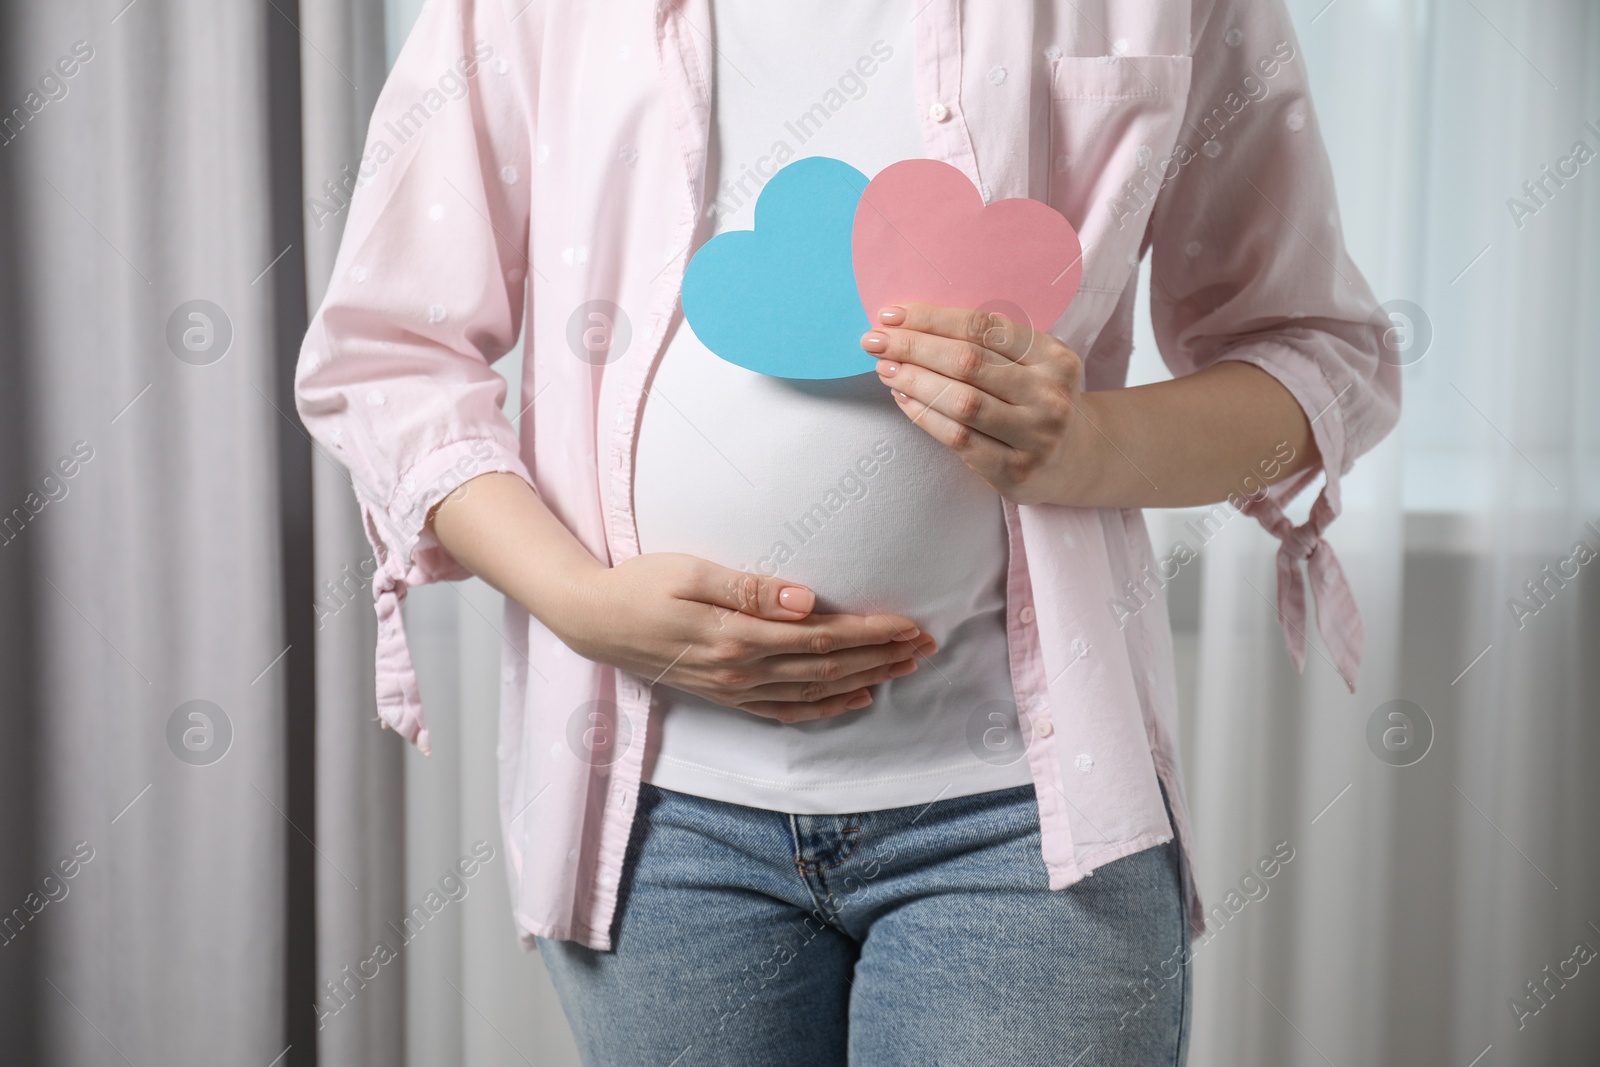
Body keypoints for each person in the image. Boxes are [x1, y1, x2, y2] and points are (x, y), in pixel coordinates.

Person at [295, 0, 1399, 1062]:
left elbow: (1319, 358)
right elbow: (389, 358)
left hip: (1031, 820)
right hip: (658, 818)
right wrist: (582, 606)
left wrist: (1087, 443)